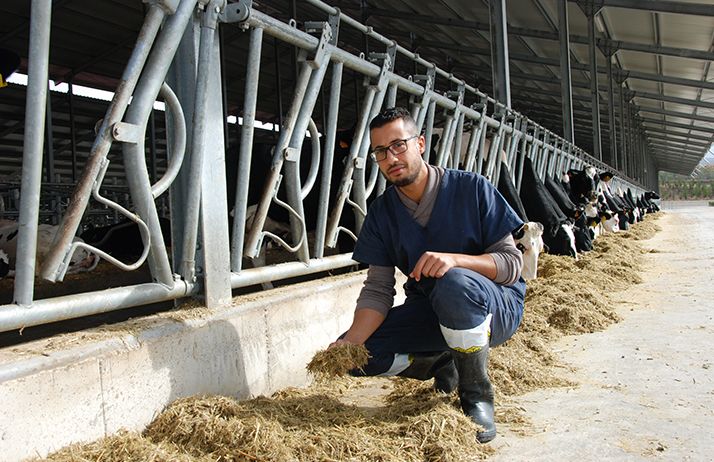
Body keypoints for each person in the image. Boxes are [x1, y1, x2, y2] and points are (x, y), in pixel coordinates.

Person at [329, 107, 526, 443]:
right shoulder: (381, 213)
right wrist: (349, 343)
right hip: (432, 313)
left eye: (398, 145)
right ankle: (439, 363)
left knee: (454, 283)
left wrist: (455, 260)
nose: (391, 157)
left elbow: (511, 265)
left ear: (420, 144)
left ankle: (476, 394)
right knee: (357, 358)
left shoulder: (472, 188)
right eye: (380, 151)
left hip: (493, 308)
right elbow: (378, 289)